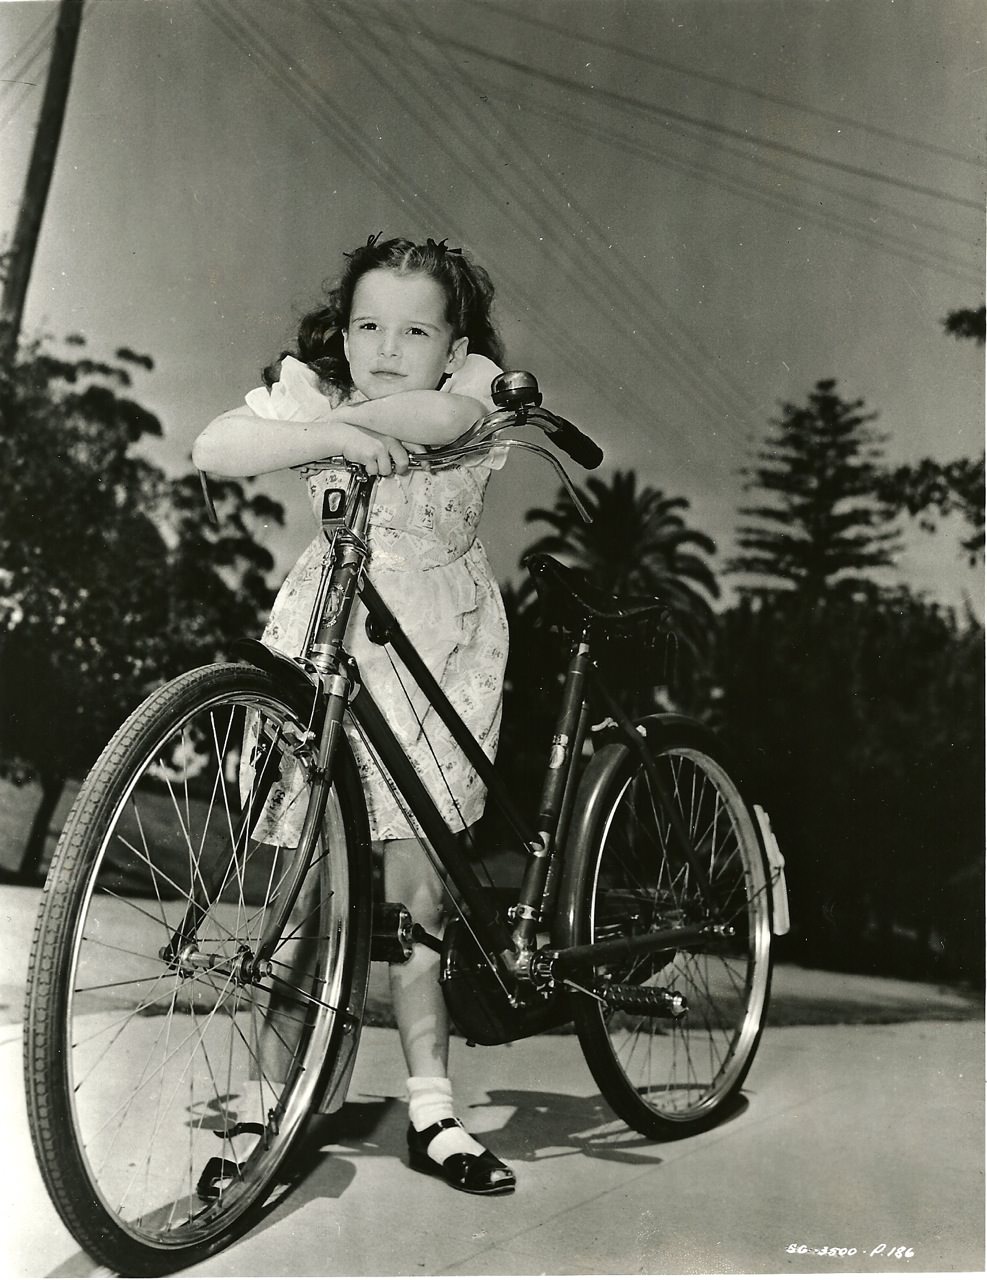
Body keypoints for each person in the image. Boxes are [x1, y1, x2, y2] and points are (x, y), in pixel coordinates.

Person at [193, 235, 514, 1195]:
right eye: (366, 325)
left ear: (454, 346)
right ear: (341, 331)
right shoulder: (322, 403)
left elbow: (433, 417)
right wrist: (326, 433)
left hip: (435, 652)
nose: (385, 346)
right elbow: (216, 446)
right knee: (304, 898)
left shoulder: (472, 392)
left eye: (415, 329)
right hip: (327, 638)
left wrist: (357, 421)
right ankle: (269, 1107)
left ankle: (432, 1111)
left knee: (415, 901)